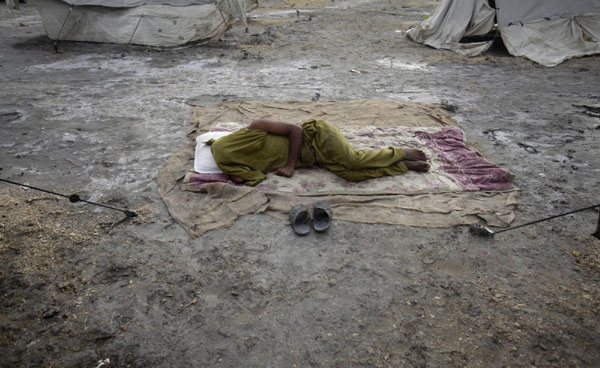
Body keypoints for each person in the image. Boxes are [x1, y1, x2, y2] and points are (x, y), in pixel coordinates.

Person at [209, 119, 429, 186]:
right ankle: (402, 166)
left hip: (318, 135)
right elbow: (247, 179)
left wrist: (290, 165)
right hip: (315, 159)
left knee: (352, 160)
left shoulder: (255, 128)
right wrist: (228, 174)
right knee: (351, 175)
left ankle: (399, 152)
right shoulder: (229, 162)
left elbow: (295, 130)